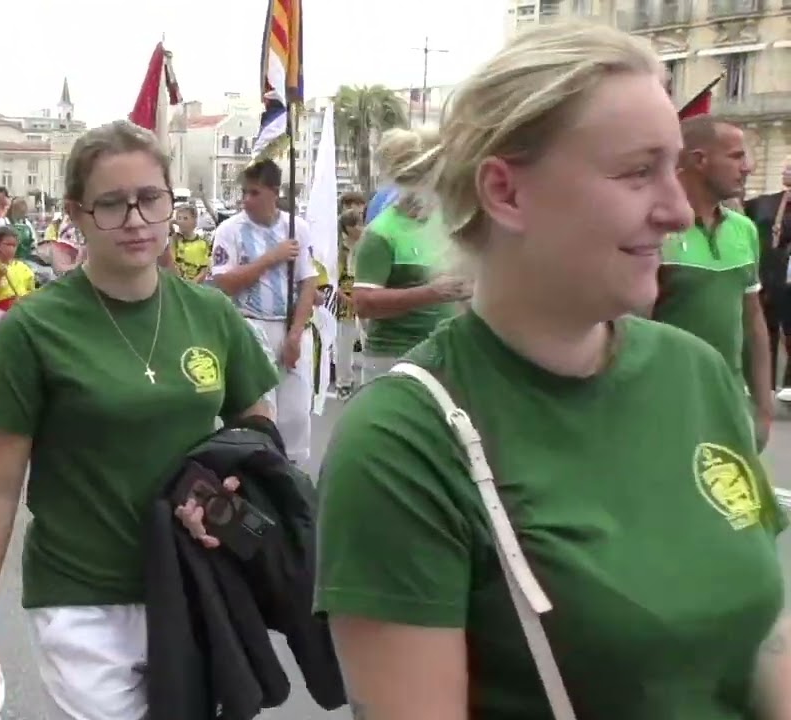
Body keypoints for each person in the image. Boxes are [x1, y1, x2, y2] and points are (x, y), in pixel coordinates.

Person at [316, 21, 790, 719]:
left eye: (674, 170)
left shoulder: (694, 373)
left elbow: (766, 643)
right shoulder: (401, 443)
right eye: (637, 172)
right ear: (506, 193)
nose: (676, 211)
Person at [0, 120, 279, 720]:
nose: (134, 219)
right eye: (111, 203)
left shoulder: (210, 313)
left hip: (193, 583)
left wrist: (231, 493)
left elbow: (257, 438)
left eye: (150, 199)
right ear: (77, 213)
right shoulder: (34, 330)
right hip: (82, 598)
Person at [654, 116, 773, 449]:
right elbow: (630, 331)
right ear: (699, 160)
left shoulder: (743, 229)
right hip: (665, 409)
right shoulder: (655, 230)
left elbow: (753, 322)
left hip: (729, 406)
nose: (747, 167)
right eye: (736, 156)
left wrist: (763, 409)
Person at [208, 159, 318, 465]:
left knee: (296, 414)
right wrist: (270, 258)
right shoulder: (230, 230)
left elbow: (309, 281)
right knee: (260, 412)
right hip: (251, 325)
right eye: (244, 192)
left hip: (290, 326)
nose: (246, 200)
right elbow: (224, 282)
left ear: (274, 192)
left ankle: (296, 474)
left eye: (254, 193)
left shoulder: (297, 228)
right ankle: (262, 473)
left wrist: (296, 333)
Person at [351, 127, 470, 385]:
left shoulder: (449, 225)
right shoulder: (381, 232)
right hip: (393, 361)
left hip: (447, 359)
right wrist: (431, 293)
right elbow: (363, 303)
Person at [747, 157, 791, 399]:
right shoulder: (766, 203)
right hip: (769, 278)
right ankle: (764, 386)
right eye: (785, 167)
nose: (786, 171)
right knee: (765, 331)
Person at [0, 225, 36, 339]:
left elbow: (32, 293)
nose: (11, 249)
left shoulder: (24, 269)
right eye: (8, 245)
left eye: (14, 245)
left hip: (19, 315)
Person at [333, 208, 364, 396]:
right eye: (357, 224)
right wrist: (346, 298)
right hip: (346, 302)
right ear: (347, 227)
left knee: (366, 343)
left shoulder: (364, 246)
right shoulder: (340, 250)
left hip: (365, 298)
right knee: (344, 344)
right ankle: (343, 382)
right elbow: (333, 279)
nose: (361, 228)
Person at [165, 204, 211, 282]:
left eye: (185, 218)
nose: (181, 221)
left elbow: (204, 270)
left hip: (194, 285)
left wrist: (192, 284)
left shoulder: (202, 243)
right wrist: (173, 222)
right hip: (177, 282)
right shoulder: (176, 239)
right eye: (179, 218)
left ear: (194, 221)